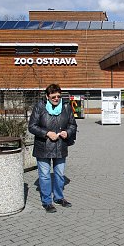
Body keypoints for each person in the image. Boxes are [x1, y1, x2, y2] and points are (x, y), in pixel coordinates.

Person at [28, 84, 77, 213]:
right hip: (43, 147)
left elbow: (73, 124)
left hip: (60, 146)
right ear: (47, 96)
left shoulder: (66, 106)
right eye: (53, 96)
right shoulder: (40, 106)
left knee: (60, 174)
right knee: (44, 176)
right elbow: (32, 126)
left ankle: (59, 198)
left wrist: (68, 132)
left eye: (58, 96)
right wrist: (47, 133)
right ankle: (47, 202)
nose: (56, 99)